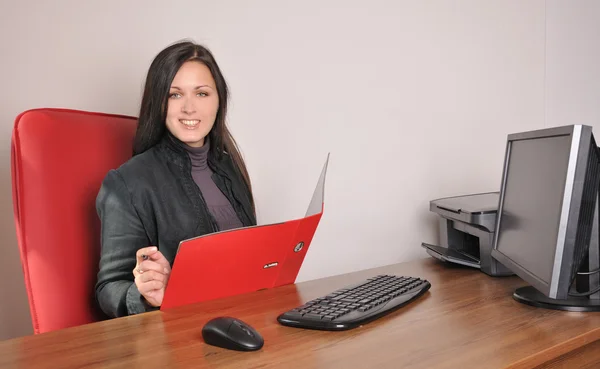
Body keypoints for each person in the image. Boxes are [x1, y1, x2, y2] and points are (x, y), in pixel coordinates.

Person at [95, 40, 256, 318]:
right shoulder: (126, 183)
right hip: (183, 337)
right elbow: (109, 288)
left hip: (246, 318)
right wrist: (146, 295)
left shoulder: (228, 166)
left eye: (202, 93)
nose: (189, 108)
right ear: (157, 102)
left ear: (219, 101)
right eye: (175, 95)